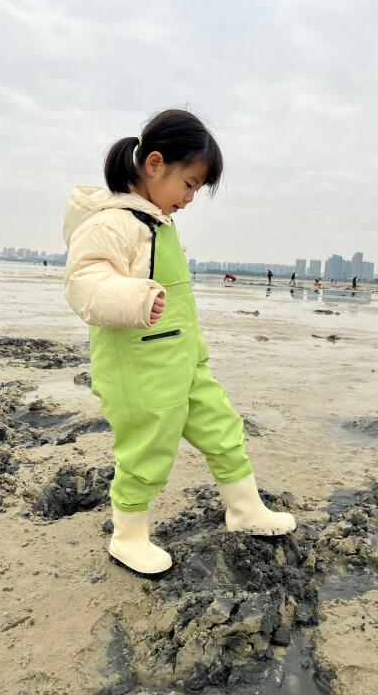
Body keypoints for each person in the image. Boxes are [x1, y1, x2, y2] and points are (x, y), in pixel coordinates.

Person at [63, 109, 295, 576]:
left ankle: (245, 508)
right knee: (147, 446)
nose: (189, 199)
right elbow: (84, 282)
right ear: (154, 164)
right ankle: (128, 535)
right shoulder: (113, 223)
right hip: (139, 367)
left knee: (223, 427)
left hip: (185, 360)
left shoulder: (157, 223)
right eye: (188, 184)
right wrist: (134, 297)